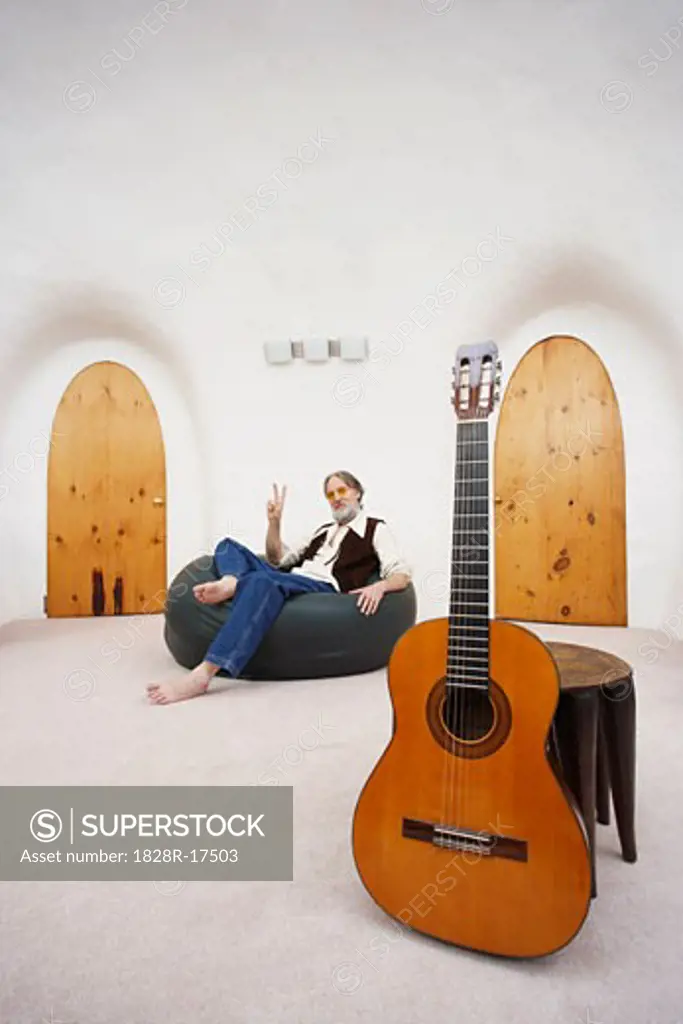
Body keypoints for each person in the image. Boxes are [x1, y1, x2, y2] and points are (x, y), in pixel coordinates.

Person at [146, 471, 411, 705]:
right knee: (227, 545)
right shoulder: (323, 531)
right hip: (291, 577)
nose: (336, 498)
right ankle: (231, 581)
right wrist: (274, 523)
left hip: (320, 586)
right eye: (330, 494)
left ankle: (204, 673)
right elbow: (277, 560)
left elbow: (401, 574)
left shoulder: (376, 529)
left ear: (357, 492)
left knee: (261, 582)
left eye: (341, 491)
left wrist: (380, 587)